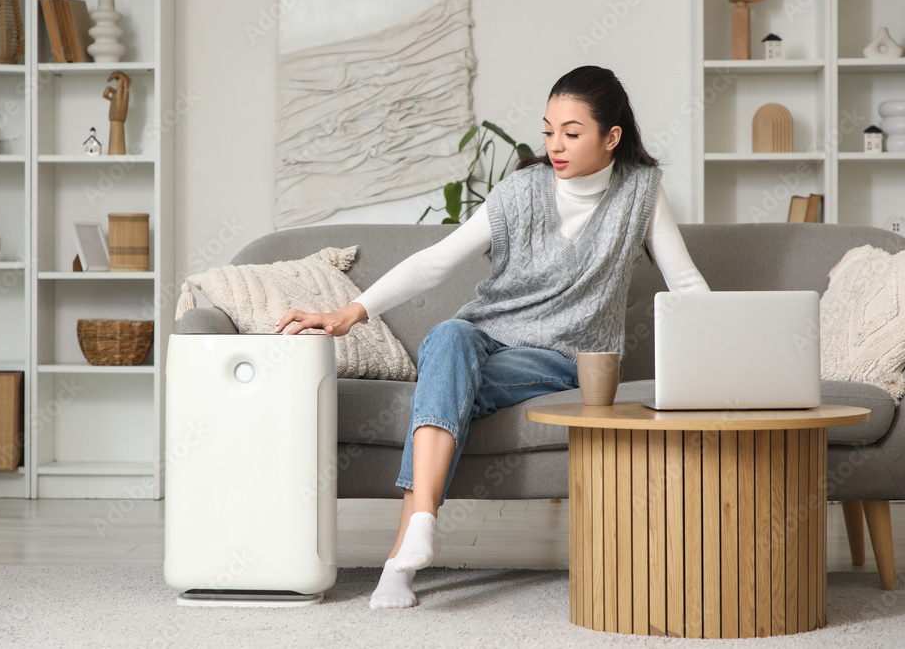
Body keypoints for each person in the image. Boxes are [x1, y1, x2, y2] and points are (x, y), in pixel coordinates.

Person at [275, 65, 710, 609]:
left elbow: (686, 284)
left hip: (563, 358)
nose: (554, 145)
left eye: (571, 133)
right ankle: (424, 524)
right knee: (450, 339)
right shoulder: (521, 191)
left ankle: (400, 559)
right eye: (549, 130)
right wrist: (351, 312)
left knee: (448, 384)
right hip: (486, 337)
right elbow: (436, 262)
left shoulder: (642, 193)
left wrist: (728, 355)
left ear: (611, 137)